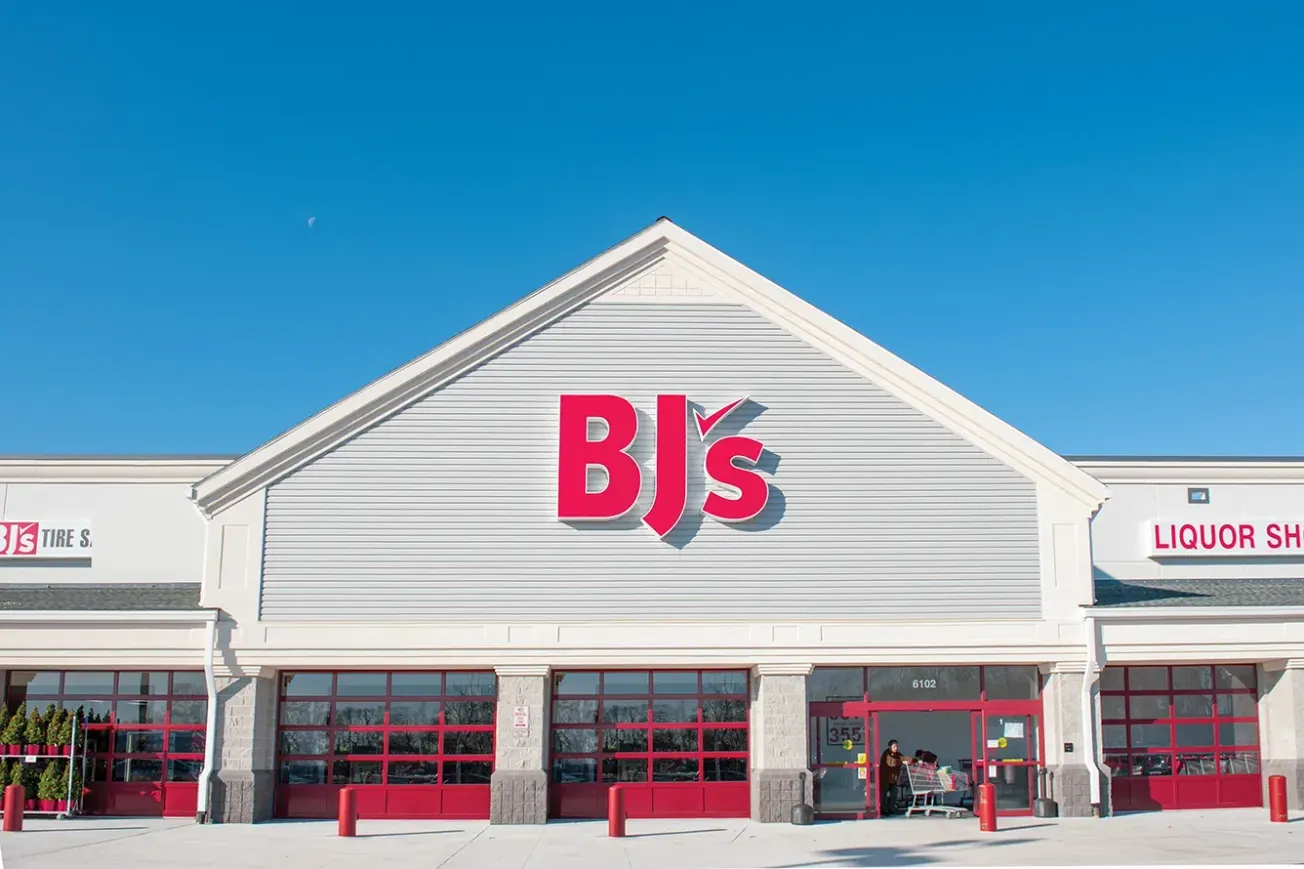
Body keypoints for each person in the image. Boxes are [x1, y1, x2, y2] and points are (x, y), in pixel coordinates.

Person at [878, 739, 915, 816]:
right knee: (883, 794)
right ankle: (884, 809)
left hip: (893, 779)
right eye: (894, 746)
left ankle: (891, 808)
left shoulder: (897, 754)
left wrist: (914, 760)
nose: (896, 748)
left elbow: (903, 758)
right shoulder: (886, 754)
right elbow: (891, 762)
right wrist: (902, 762)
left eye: (897, 746)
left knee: (894, 792)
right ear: (890, 747)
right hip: (885, 779)